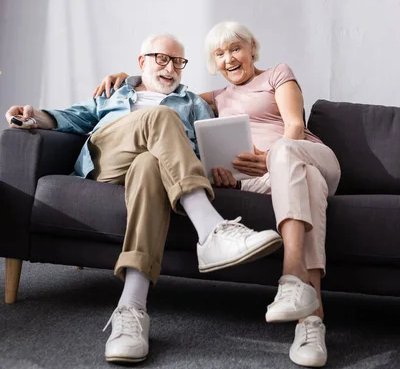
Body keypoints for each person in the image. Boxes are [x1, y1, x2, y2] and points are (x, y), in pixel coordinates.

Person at [5, 33, 282, 366]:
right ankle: (211, 230)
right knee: (161, 118)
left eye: (178, 62)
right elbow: (71, 118)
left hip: (150, 170)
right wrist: (33, 117)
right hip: (107, 158)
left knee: (150, 163)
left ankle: (131, 308)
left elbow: (200, 152)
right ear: (142, 62)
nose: (170, 68)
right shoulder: (116, 92)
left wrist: (218, 172)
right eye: (162, 59)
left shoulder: (193, 102)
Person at [93, 23, 341, 368]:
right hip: (267, 182)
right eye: (219, 54)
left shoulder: (277, 75)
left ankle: (290, 278)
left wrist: (270, 157)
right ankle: (311, 320)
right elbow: (161, 91)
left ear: (252, 49)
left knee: (289, 157)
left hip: (306, 155)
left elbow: (294, 128)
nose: (229, 58)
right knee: (305, 186)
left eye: (235, 48)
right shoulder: (213, 98)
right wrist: (126, 77)